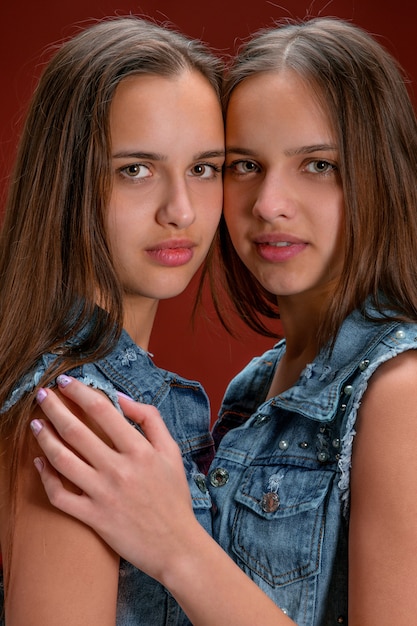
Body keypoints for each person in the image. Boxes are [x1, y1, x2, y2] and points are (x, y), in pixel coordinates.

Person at [30, 16, 417, 626]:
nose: (269, 204)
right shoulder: (254, 390)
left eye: (317, 164)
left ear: (381, 174)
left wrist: (178, 547)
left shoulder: (400, 390)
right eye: (242, 165)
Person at [0, 15, 225, 625]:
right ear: (67, 182)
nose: (180, 210)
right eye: (136, 169)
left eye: (204, 168)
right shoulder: (80, 417)